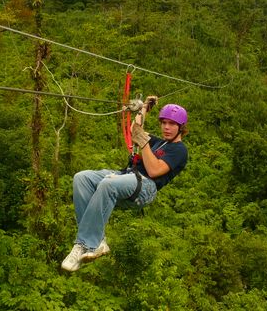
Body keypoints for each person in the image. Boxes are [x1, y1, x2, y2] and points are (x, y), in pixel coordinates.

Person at [61, 97, 189, 272]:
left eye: (172, 124)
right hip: (127, 176)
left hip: (146, 186)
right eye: (164, 123)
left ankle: (85, 243)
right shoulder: (158, 142)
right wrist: (144, 108)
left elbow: (154, 171)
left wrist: (143, 142)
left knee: (108, 183)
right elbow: (134, 130)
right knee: (81, 178)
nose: (167, 127)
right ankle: (96, 241)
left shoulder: (179, 150)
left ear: (181, 127)